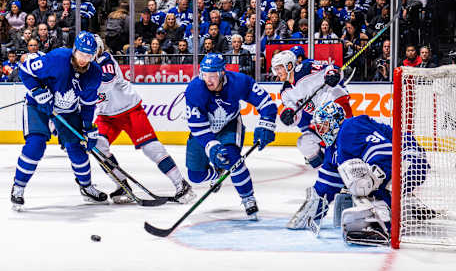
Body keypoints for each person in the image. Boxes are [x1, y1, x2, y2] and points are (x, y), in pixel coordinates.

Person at [287, 101, 429, 246]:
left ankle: (386, 221)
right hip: (394, 161)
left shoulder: (351, 127)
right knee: (356, 179)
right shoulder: (333, 150)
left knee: (360, 182)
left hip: (409, 157)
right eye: (319, 127)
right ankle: (403, 207)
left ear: (334, 121)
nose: (321, 131)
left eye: (323, 125)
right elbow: (326, 186)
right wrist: (312, 208)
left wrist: (373, 178)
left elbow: (384, 152)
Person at [92, 35, 195, 204]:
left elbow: (107, 82)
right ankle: (122, 185)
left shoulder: (105, 60)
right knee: (98, 146)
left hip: (129, 109)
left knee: (152, 148)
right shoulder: (82, 68)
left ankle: (181, 185)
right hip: (106, 116)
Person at [10, 31, 107, 210]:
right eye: (81, 54)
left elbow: (87, 105)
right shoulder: (57, 58)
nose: (84, 59)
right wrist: (38, 91)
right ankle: (18, 187)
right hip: (38, 105)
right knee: (36, 144)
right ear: (74, 50)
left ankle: (86, 187)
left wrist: (88, 127)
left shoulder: (94, 73)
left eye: (89, 55)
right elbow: (25, 71)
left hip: (67, 110)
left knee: (77, 148)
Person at [184, 53, 277, 219]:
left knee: (233, 160)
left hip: (230, 125)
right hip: (205, 129)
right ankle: (217, 174)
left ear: (222, 73)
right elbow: (197, 125)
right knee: (195, 176)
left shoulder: (239, 82)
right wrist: (211, 146)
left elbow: (266, 103)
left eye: (212, 76)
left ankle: (248, 198)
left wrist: (267, 124)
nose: (208, 80)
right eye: (205, 75)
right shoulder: (194, 90)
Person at [272, 48, 352, 170]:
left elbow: (332, 68)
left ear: (289, 66)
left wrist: (333, 74)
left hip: (336, 102)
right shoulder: (285, 92)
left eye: (279, 68)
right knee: (304, 143)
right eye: (275, 69)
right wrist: (289, 117)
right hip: (321, 119)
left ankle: (350, 164)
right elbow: (295, 114)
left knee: (342, 142)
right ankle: (327, 171)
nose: (277, 72)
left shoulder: (305, 68)